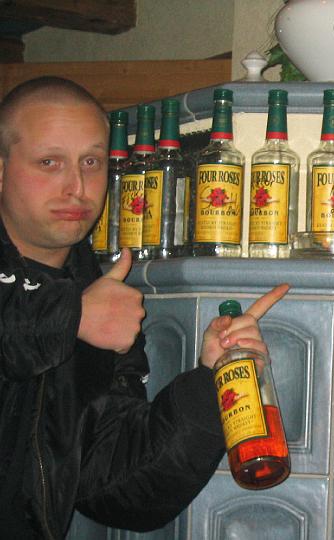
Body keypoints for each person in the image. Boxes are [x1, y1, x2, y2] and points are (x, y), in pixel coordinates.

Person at [0, 76, 289, 538]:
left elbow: (118, 488)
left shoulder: (101, 298)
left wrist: (214, 382)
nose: (76, 186)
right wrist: (71, 317)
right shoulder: (87, 310)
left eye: (91, 162)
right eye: (49, 162)